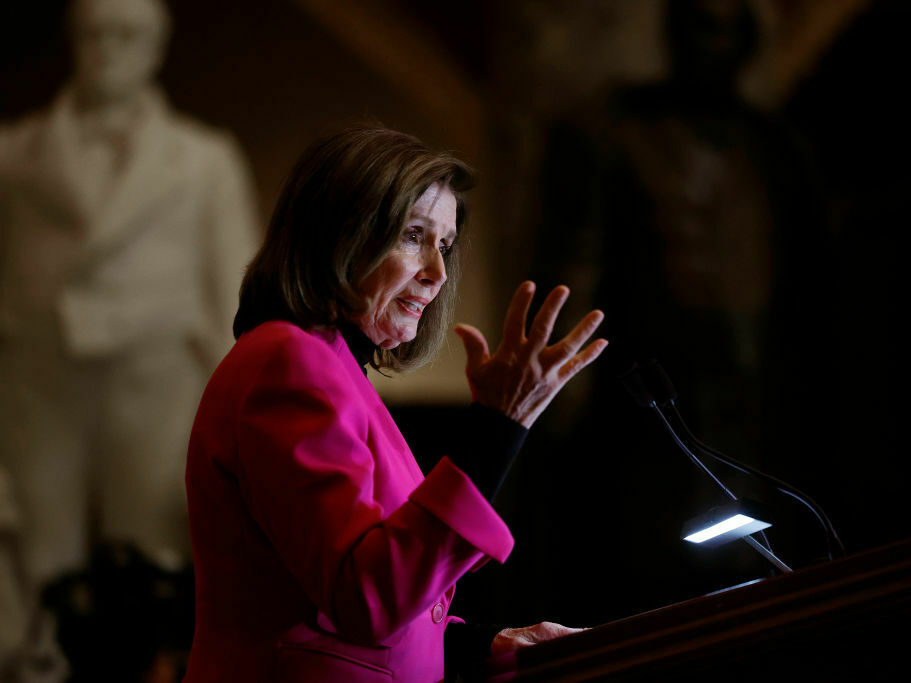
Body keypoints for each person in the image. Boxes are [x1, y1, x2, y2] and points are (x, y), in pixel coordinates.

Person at [184, 126, 608, 682]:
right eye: (414, 235)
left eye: (445, 247)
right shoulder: (288, 364)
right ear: (341, 235)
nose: (436, 273)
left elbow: (366, 616)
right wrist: (498, 430)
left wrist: (490, 644)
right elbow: (366, 599)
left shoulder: (329, 368)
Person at [0, 0, 258, 595]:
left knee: (153, 555)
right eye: (94, 34)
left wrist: (240, 409)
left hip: (157, 386)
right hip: (38, 385)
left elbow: (235, 292)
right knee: (35, 563)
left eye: (126, 35)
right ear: (73, 40)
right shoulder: (17, 153)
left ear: (155, 45)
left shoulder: (202, 160)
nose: (108, 49)